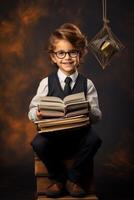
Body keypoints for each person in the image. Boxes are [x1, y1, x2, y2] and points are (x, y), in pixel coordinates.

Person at [28, 23, 102, 198]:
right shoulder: (46, 83)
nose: (67, 57)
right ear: (53, 57)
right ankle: (58, 179)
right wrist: (37, 113)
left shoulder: (87, 83)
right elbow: (31, 110)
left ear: (80, 54)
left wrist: (88, 110)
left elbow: (97, 116)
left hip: (79, 136)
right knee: (38, 143)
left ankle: (73, 179)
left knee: (94, 139)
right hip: (54, 137)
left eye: (72, 52)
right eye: (61, 53)